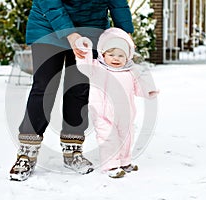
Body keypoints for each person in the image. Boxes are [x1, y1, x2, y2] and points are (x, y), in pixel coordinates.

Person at [9, 0, 135, 181]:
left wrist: (125, 34)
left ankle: (72, 150)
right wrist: (69, 32)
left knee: (78, 89)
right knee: (44, 87)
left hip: (91, 28)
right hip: (48, 26)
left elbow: (117, 3)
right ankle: (26, 153)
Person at [75, 27, 159, 178]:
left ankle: (125, 161)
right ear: (103, 54)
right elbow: (83, 64)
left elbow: (140, 85)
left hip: (125, 113)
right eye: (111, 54)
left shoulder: (131, 71)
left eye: (121, 55)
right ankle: (111, 165)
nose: (116, 58)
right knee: (108, 138)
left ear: (127, 57)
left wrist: (149, 91)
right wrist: (83, 49)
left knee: (127, 136)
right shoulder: (96, 67)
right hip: (102, 113)